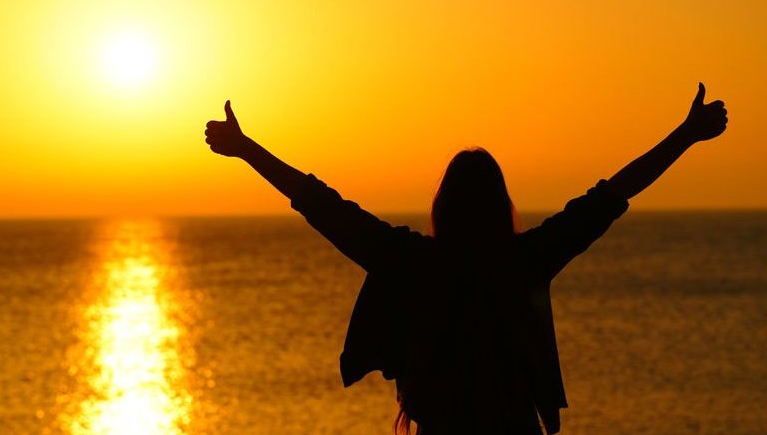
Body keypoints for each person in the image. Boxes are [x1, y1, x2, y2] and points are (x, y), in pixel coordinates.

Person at [202, 84, 728, 435]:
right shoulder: (525, 259)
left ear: (442, 207)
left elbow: (322, 205)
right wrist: (686, 135)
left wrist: (248, 149)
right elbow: (611, 195)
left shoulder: (410, 261)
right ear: (502, 207)